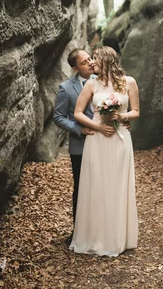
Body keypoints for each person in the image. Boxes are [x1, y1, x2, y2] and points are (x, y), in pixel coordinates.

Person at [70, 46, 140, 256]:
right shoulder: (91, 84)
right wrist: (98, 126)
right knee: (98, 185)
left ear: (106, 60)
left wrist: (122, 117)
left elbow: (136, 111)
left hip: (120, 140)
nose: (92, 63)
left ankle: (119, 236)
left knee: (118, 186)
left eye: (95, 59)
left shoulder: (129, 82)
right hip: (98, 139)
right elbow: (78, 113)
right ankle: (96, 236)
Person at [53, 49, 116, 245]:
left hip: (105, 142)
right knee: (82, 189)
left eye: (90, 58)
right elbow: (58, 117)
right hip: (80, 146)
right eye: (84, 62)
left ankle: (103, 230)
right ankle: (79, 232)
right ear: (74, 68)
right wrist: (78, 129)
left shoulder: (105, 81)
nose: (89, 63)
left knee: (104, 187)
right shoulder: (66, 88)